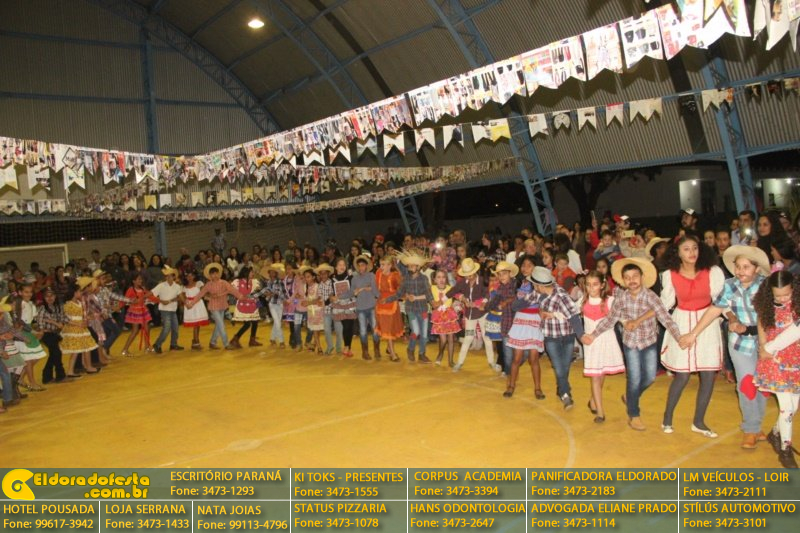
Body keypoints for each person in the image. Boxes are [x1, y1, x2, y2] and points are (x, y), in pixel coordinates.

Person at [683, 245, 770, 449]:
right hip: (740, 342)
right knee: (746, 384)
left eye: (746, 267)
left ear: (757, 268)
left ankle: (756, 425)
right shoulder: (730, 285)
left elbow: (769, 316)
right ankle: (750, 428)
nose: (740, 271)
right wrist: (694, 333)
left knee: (763, 385)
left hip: (766, 342)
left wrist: (766, 345)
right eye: (738, 266)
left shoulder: (766, 287)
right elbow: (715, 310)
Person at [583, 257, 682, 431]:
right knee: (634, 378)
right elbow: (610, 320)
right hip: (630, 343)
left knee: (649, 377)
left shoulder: (651, 297)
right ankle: (634, 414)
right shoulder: (621, 298)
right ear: (623, 281)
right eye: (627, 278)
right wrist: (593, 334)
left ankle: (630, 396)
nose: (632, 280)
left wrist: (679, 337)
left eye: (635, 276)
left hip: (649, 341)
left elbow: (665, 318)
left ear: (642, 277)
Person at [659, 235, 725, 437]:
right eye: (686, 249)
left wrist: (731, 318)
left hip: (707, 323)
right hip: (681, 322)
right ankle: (667, 418)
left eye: (695, 248)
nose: (692, 252)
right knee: (682, 375)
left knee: (708, 374)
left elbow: (721, 301)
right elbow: (664, 305)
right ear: (677, 253)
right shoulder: (669, 275)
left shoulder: (713, 271)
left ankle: (699, 422)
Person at [753, 271, 800, 468]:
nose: (782, 298)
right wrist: (763, 346)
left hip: (795, 360)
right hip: (774, 361)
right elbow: (761, 325)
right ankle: (785, 450)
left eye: (786, 294)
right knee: (787, 408)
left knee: (793, 407)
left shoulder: (797, 306)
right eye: (777, 295)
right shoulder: (766, 306)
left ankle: (775, 433)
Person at [532, 266, 585, 410]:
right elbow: (526, 301)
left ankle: (561, 388)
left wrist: (581, 337)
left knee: (564, 367)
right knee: (559, 366)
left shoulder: (561, 296)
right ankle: (566, 394)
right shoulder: (540, 294)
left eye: (534, 285)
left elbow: (574, 316)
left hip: (567, 336)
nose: (533, 288)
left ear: (540, 286)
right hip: (550, 336)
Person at [581, 270, 625, 423]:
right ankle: (600, 412)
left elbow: (620, 317)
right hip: (591, 342)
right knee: (595, 376)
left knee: (601, 373)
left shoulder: (610, 300)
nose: (591, 288)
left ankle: (593, 399)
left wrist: (628, 323)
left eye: (595, 284)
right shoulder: (582, 301)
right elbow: (570, 315)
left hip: (606, 340)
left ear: (602, 285)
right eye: (588, 285)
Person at [503, 257, 544, 399]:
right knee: (517, 358)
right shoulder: (519, 283)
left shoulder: (538, 285)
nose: (525, 268)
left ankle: (538, 388)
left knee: (534, 359)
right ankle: (511, 385)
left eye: (529, 265)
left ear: (535, 268)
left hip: (534, 321)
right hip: (520, 321)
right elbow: (514, 301)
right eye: (523, 265)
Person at [448, 258, 497, 373]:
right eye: (466, 275)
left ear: (475, 272)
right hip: (470, 317)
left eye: (470, 274)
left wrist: (477, 303)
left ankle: (492, 362)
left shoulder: (483, 281)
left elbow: (487, 295)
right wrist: (462, 298)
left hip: (482, 315)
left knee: (487, 338)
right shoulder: (462, 282)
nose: (468, 277)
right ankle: (459, 363)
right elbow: (453, 291)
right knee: (468, 338)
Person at [384, 249, 433, 363]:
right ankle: (410, 349)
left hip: (423, 309)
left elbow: (428, 295)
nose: (409, 268)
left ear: (418, 267)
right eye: (408, 266)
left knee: (424, 334)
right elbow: (399, 294)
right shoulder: (405, 279)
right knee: (416, 331)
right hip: (411, 310)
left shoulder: (424, 279)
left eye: (412, 266)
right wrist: (387, 299)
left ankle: (421, 354)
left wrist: (431, 302)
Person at [186, 263, 248, 350]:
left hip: (222, 306)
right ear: (210, 275)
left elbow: (232, 290)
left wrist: (241, 297)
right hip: (213, 307)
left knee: (219, 325)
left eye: (216, 273)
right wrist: (191, 303)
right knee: (221, 325)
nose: (215, 275)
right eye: (212, 274)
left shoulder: (224, 283)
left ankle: (212, 342)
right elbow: (200, 294)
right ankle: (226, 344)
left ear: (219, 274)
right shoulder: (208, 284)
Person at [60, 278, 100, 377]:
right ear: (74, 293)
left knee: (85, 348)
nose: (81, 293)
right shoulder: (68, 304)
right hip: (75, 328)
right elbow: (65, 319)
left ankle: (87, 366)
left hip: (81, 327)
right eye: (79, 291)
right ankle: (72, 370)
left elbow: (82, 315)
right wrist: (79, 324)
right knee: (77, 350)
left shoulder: (79, 303)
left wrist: (87, 319)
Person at [12, 283, 48, 392]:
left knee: (36, 357)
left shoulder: (31, 304)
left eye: (30, 292)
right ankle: (32, 383)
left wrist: (39, 330)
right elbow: (18, 321)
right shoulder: (19, 303)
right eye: (26, 292)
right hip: (22, 333)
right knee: (28, 359)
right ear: (20, 292)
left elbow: (33, 320)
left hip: (30, 332)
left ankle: (21, 378)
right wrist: (32, 331)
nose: (29, 294)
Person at [349, 256, 379, 360]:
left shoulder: (372, 276)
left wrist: (371, 289)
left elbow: (376, 291)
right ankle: (365, 352)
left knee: (375, 330)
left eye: (363, 265)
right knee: (362, 331)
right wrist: (355, 293)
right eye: (359, 265)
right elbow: (352, 292)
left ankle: (376, 349)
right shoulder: (354, 278)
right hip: (360, 308)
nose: (361, 267)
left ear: (366, 266)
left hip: (372, 306)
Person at [37, 288, 69, 384]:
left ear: (55, 296)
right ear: (44, 298)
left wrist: (57, 323)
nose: (50, 298)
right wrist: (54, 323)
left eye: (52, 296)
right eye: (47, 296)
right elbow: (40, 322)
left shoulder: (58, 307)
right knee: (57, 353)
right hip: (46, 334)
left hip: (55, 333)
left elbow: (64, 318)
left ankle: (47, 377)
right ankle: (60, 376)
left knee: (53, 354)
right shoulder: (42, 308)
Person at [150, 266, 184, 354]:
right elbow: (151, 294)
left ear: (173, 276)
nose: (168, 278)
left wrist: (182, 301)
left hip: (173, 310)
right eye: (166, 276)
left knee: (175, 328)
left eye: (170, 276)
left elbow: (181, 297)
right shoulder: (161, 285)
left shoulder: (177, 286)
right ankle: (157, 344)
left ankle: (173, 344)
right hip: (164, 310)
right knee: (167, 328)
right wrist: (161, 301)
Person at [374, 257, 403, 362]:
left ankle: (390, 349)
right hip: (381, 304)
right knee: (387, 328)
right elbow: (376, 287)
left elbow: (400, 289)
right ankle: (392, 352)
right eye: (380, 264)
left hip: (391, 303)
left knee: (390, 328)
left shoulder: (395, 276)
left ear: (390, 265)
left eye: (383, 264)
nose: (381, 267)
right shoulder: (378, 273)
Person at [431, 269, 460, 367]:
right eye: (439, 277)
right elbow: (427, 297)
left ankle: (450, 361)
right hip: (438, 316)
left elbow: (458, 296)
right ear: (435, 280)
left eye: (443, 277)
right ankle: (440, 354)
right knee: (443, 340)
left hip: (449, 315)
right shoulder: (432, 288)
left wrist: (460, 302)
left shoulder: (450, 288)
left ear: (446, 279)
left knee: (451, 338)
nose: (441, 279)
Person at [121, 274, 156, 356]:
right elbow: (124, 299)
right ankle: (125, 349)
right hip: (135, 311)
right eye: (139, 279)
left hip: (143, 310)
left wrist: (158, 299)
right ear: (134, 281)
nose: (141, 281)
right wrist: (130, 301)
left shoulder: (142, 288)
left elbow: (150, 295)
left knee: (147, 328)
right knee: (135, 330)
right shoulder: (130, 289)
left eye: (141, 279)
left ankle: (147, 347)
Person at [329, 258, 357, 357]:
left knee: (350, 326)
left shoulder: (350, 277)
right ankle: (346, 347)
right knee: (346, 325)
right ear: (336, 267)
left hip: (350, 303)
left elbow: (353, 289)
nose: (342, 267)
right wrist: (331, 297)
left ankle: (348, 348)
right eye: (340, 265)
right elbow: (331, 292)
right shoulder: (332, 279)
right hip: (339, 305)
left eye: (344, 265)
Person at [229, 267, 262, 349]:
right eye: (251, 272)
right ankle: (235, 339)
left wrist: (259, 305)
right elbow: (232, 291)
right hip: (243, 305)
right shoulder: (237, 282)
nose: (253, 273)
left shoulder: (254, 282)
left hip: (253, 305)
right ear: (246, 273)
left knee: (255, 322)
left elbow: (256, 295)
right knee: (247, 324)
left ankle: (252, 340)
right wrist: (239, 296)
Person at [181, 270, 208, 351]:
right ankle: (195, 342)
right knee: (195, 324)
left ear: (194, 276)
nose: (190, 277)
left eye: (191, 275)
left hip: (198, 304)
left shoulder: (199, 283)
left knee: (197, 324)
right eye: (188, 276)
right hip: (189, 305)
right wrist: (187, 304)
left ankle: (195, 341)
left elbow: (202, 293)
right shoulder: (184, 286)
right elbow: (183, 297)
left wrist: (194, 302)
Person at [261, 264, 286, 349]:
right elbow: (266, 295)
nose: (272, 273)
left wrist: (274, 293)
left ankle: (272, 339)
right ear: (269, 273)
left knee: (276, 322)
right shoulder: (268, 282)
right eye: (270, 272)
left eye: (273, 272)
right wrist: (267, 295)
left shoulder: (280, 282)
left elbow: (283, 294)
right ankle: (281, 341)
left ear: (276, 273)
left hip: (280, 304)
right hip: (271, 304)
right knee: (278, 322)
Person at [314, 264, 336, 355]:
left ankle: (340, 347)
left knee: (338, 330)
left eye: (325, 273)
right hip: (326, 310)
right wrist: (318, 301)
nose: (323, 275)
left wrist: (323, 302)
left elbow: (331, 295)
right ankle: (330, 346)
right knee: (327, 329)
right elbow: (319, 296)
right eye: (321, 274)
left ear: (328, 274)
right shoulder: (320, 285)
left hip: (334, 309)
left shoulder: (332, 283)